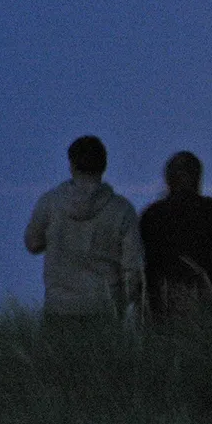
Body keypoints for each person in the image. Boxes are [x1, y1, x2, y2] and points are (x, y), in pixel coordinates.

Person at [24, 135, 144, 329]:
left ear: (71, 165)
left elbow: (32, 243)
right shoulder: (122, 210)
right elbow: (133, 266)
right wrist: (122, 303)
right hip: (106, 310)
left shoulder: (50, 203)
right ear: (104, 165)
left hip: (59, 308)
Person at [139, 151, 212, 323]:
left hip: (158, 301)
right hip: (201, 297)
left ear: (168, 179)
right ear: (198, 178)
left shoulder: (151, 214)